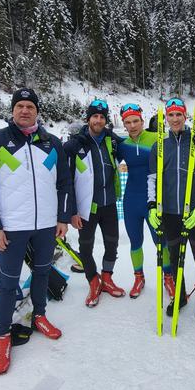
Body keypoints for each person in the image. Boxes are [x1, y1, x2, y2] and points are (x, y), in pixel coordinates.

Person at [0, 87, 72, 375]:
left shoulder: (51, 144)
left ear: (37, 111)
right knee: (8, 281)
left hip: (45, 226)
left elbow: (63, 182)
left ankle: (39, 316)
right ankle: (3, 332)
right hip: (11, 227)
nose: (25, 111)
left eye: (30, 106)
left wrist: (62, 217)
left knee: (42, 271)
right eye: (20, 106)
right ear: (13, 111)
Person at [147, 97, 195, 321]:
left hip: (192, 212)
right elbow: (152, 178)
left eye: (179, 114)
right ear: (166, 118)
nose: (175, 119)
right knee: (175, 256)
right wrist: (152, 206)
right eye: (171, 115)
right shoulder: (159, 145)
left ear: (186, 116)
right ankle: (181, 295)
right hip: (169, 213)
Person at [64, 99, 124, 307]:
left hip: (108, 206)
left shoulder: (111, 140)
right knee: (86, 247)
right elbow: (66, 180)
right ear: (88, 118)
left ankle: (107, 278)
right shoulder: (75, 144)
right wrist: (71, 211)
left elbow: (133, 146)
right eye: (94, 116)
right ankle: (93, 281)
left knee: (112, 244)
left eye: (102, 117)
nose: (98, 120)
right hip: (86, 208)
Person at [116, 103, 171, 298]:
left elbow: (179, 140)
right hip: (131, 199)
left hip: (153, 199)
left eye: (136, 121)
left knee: (160, 241)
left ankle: (168, 277)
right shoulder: (122, 146)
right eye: (128, 122)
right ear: (124, 124)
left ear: (142, 121)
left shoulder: (158, 138)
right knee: (135, 241)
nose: (132, 125)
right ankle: (139, 277)